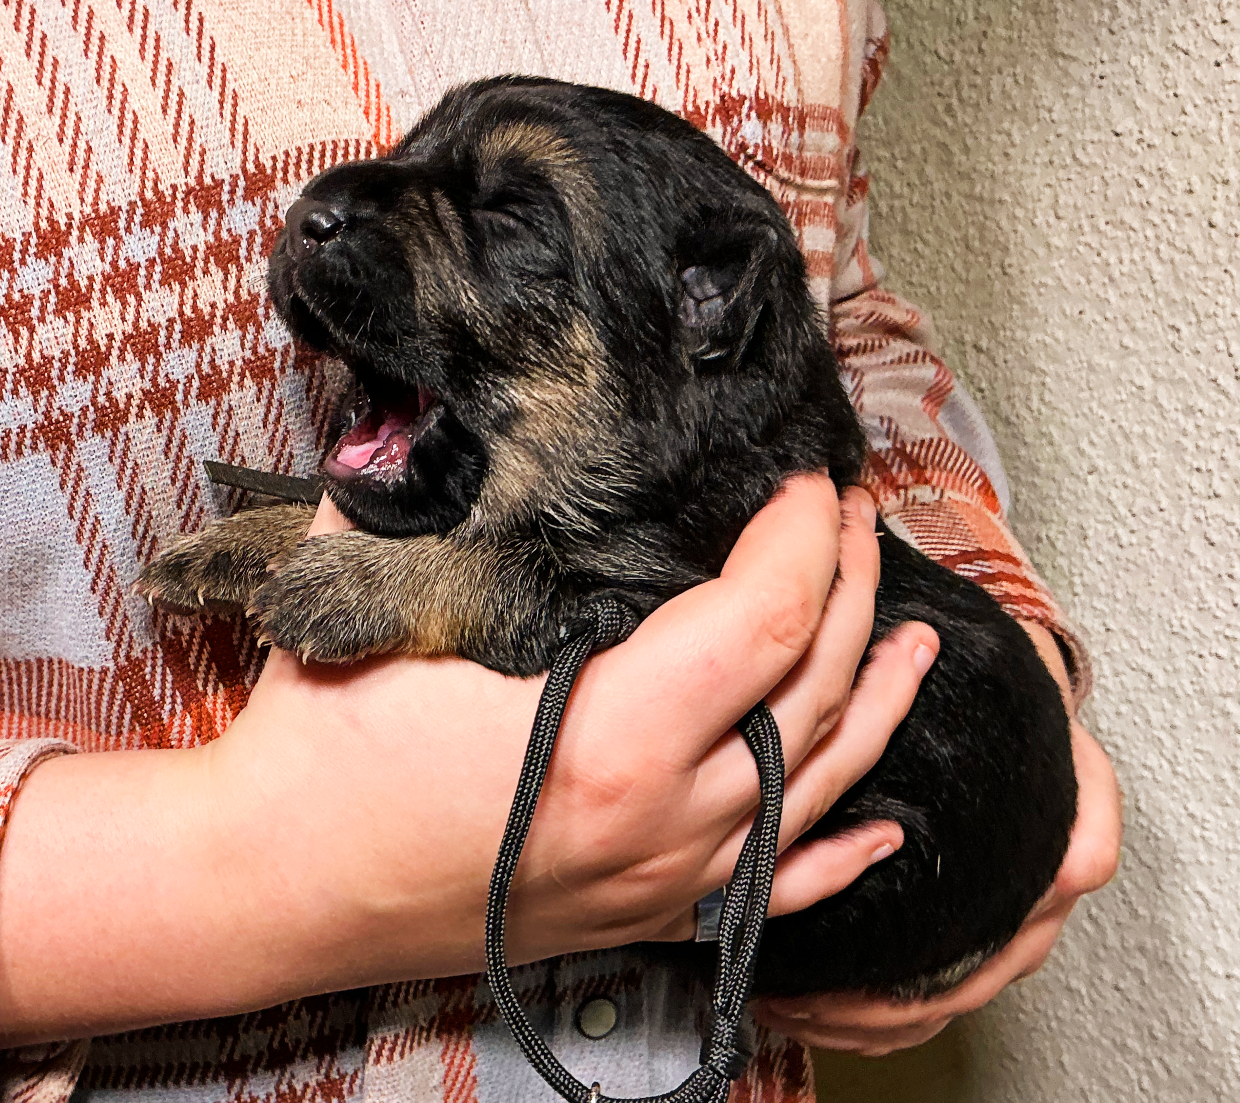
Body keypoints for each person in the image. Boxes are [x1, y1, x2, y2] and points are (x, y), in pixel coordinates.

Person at [0, 0, 1120, 1100]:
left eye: (507, 221)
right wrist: (254, 869)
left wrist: (1008, 653)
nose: (334, 208)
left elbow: (845, 311)